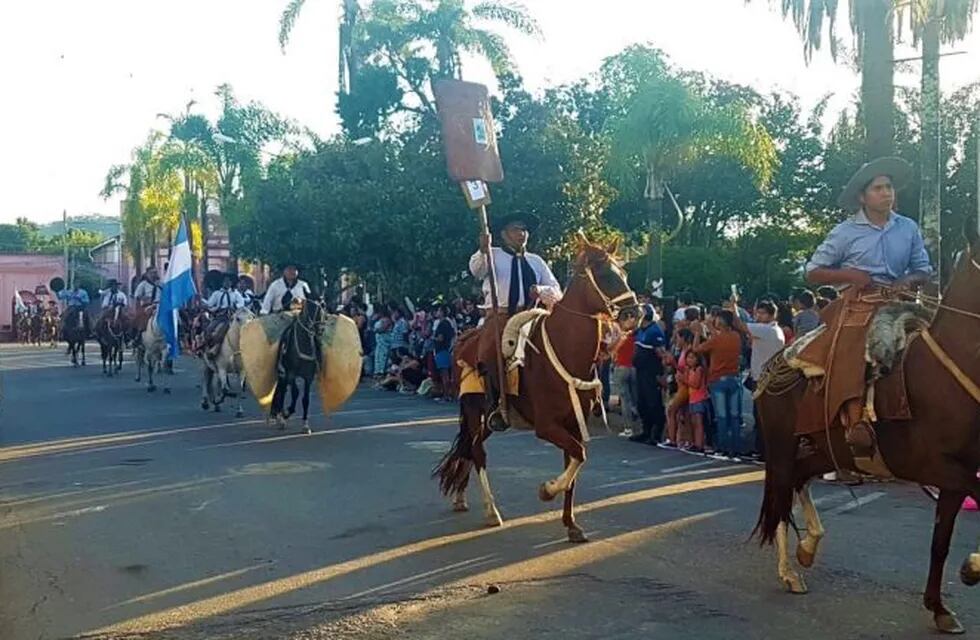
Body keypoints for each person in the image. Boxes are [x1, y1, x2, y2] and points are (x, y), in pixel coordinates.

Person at [797, 157, 932, 461]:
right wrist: (851, 275)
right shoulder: (845, 231)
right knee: (853, 346)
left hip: (902, 303)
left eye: (889, 187)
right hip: (858, 305)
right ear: (863, 196)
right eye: (879, 188)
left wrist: (908, 279)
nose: (887, 193)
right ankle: (855, 420)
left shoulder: (907, 227)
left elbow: (924, 269)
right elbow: (813, 271)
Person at [468, 212, 562, 431]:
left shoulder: (536, 261)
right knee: (490, 352)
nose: (521, 234)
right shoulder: (492, 254)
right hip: (500, 317)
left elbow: (557, 291)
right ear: (503, 234)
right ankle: (495, 403)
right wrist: (483, 250)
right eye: (515, 229)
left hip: (532, 315)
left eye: (524, 229)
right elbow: (477, 270)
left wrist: (540, 290)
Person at [734, 300, 786, 459]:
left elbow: (739, 324)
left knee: (763, 417)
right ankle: (762, 449)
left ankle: (764, 451)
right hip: (768, 377)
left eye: (762, 313)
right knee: (762, 416)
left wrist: (734, 306)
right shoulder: (773, 330)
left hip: (764, 379)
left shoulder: (766, 329)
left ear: (771, 315)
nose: (758, 316)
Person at [693, 309, 743, 457]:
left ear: (720, 322)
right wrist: (710, 327)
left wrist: (697, 333)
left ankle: (723, 448)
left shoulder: (716, 340)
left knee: (722, 416)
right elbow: (719, 338)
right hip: (734, 378)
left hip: (718, 379)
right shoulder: (736, 336)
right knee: (734, 416)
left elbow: (697, 349)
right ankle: (736, 448)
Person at [631, 304, 667, 444]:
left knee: (653, 403)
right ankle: (646, 431)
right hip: (640, 371)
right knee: (642, 403)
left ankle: (656, 434)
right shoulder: (640, 330)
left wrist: (662, 373)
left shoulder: (654, 331)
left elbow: (660, 352)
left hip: (651, 372)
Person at [202, 273, 245, 357]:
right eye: (225, 281)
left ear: (232, 283)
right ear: (222, 282)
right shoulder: (217, 294)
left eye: (229, 281)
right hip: (220, 317)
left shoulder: (235, 294)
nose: (227, 283)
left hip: (233, 317)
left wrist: (234, 306)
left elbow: (241, 303)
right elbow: (210, 304)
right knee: (209, 329)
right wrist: (203, 302)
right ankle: (208, 346)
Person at [680, 351, 709, 453]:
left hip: (699, 398)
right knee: (694, 422)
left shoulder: (699, 369)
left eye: (692, 358)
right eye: (688, 358)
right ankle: (695, 443)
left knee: (698, 422)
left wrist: (684, 380)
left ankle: (699, 444)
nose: (690, 360)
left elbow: (696, 384)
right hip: (692, 398)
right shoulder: (690, 369)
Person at [432, 304, 457, 401]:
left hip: (442, 350)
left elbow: (440, 338)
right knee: (446, 373)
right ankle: (449, 394)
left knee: (444, 373)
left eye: (438, 310)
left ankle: (447, 395)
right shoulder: (448, 323)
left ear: (442, 312)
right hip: (446, 350)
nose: (437, 313)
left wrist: (433, 338)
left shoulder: (443, 324)